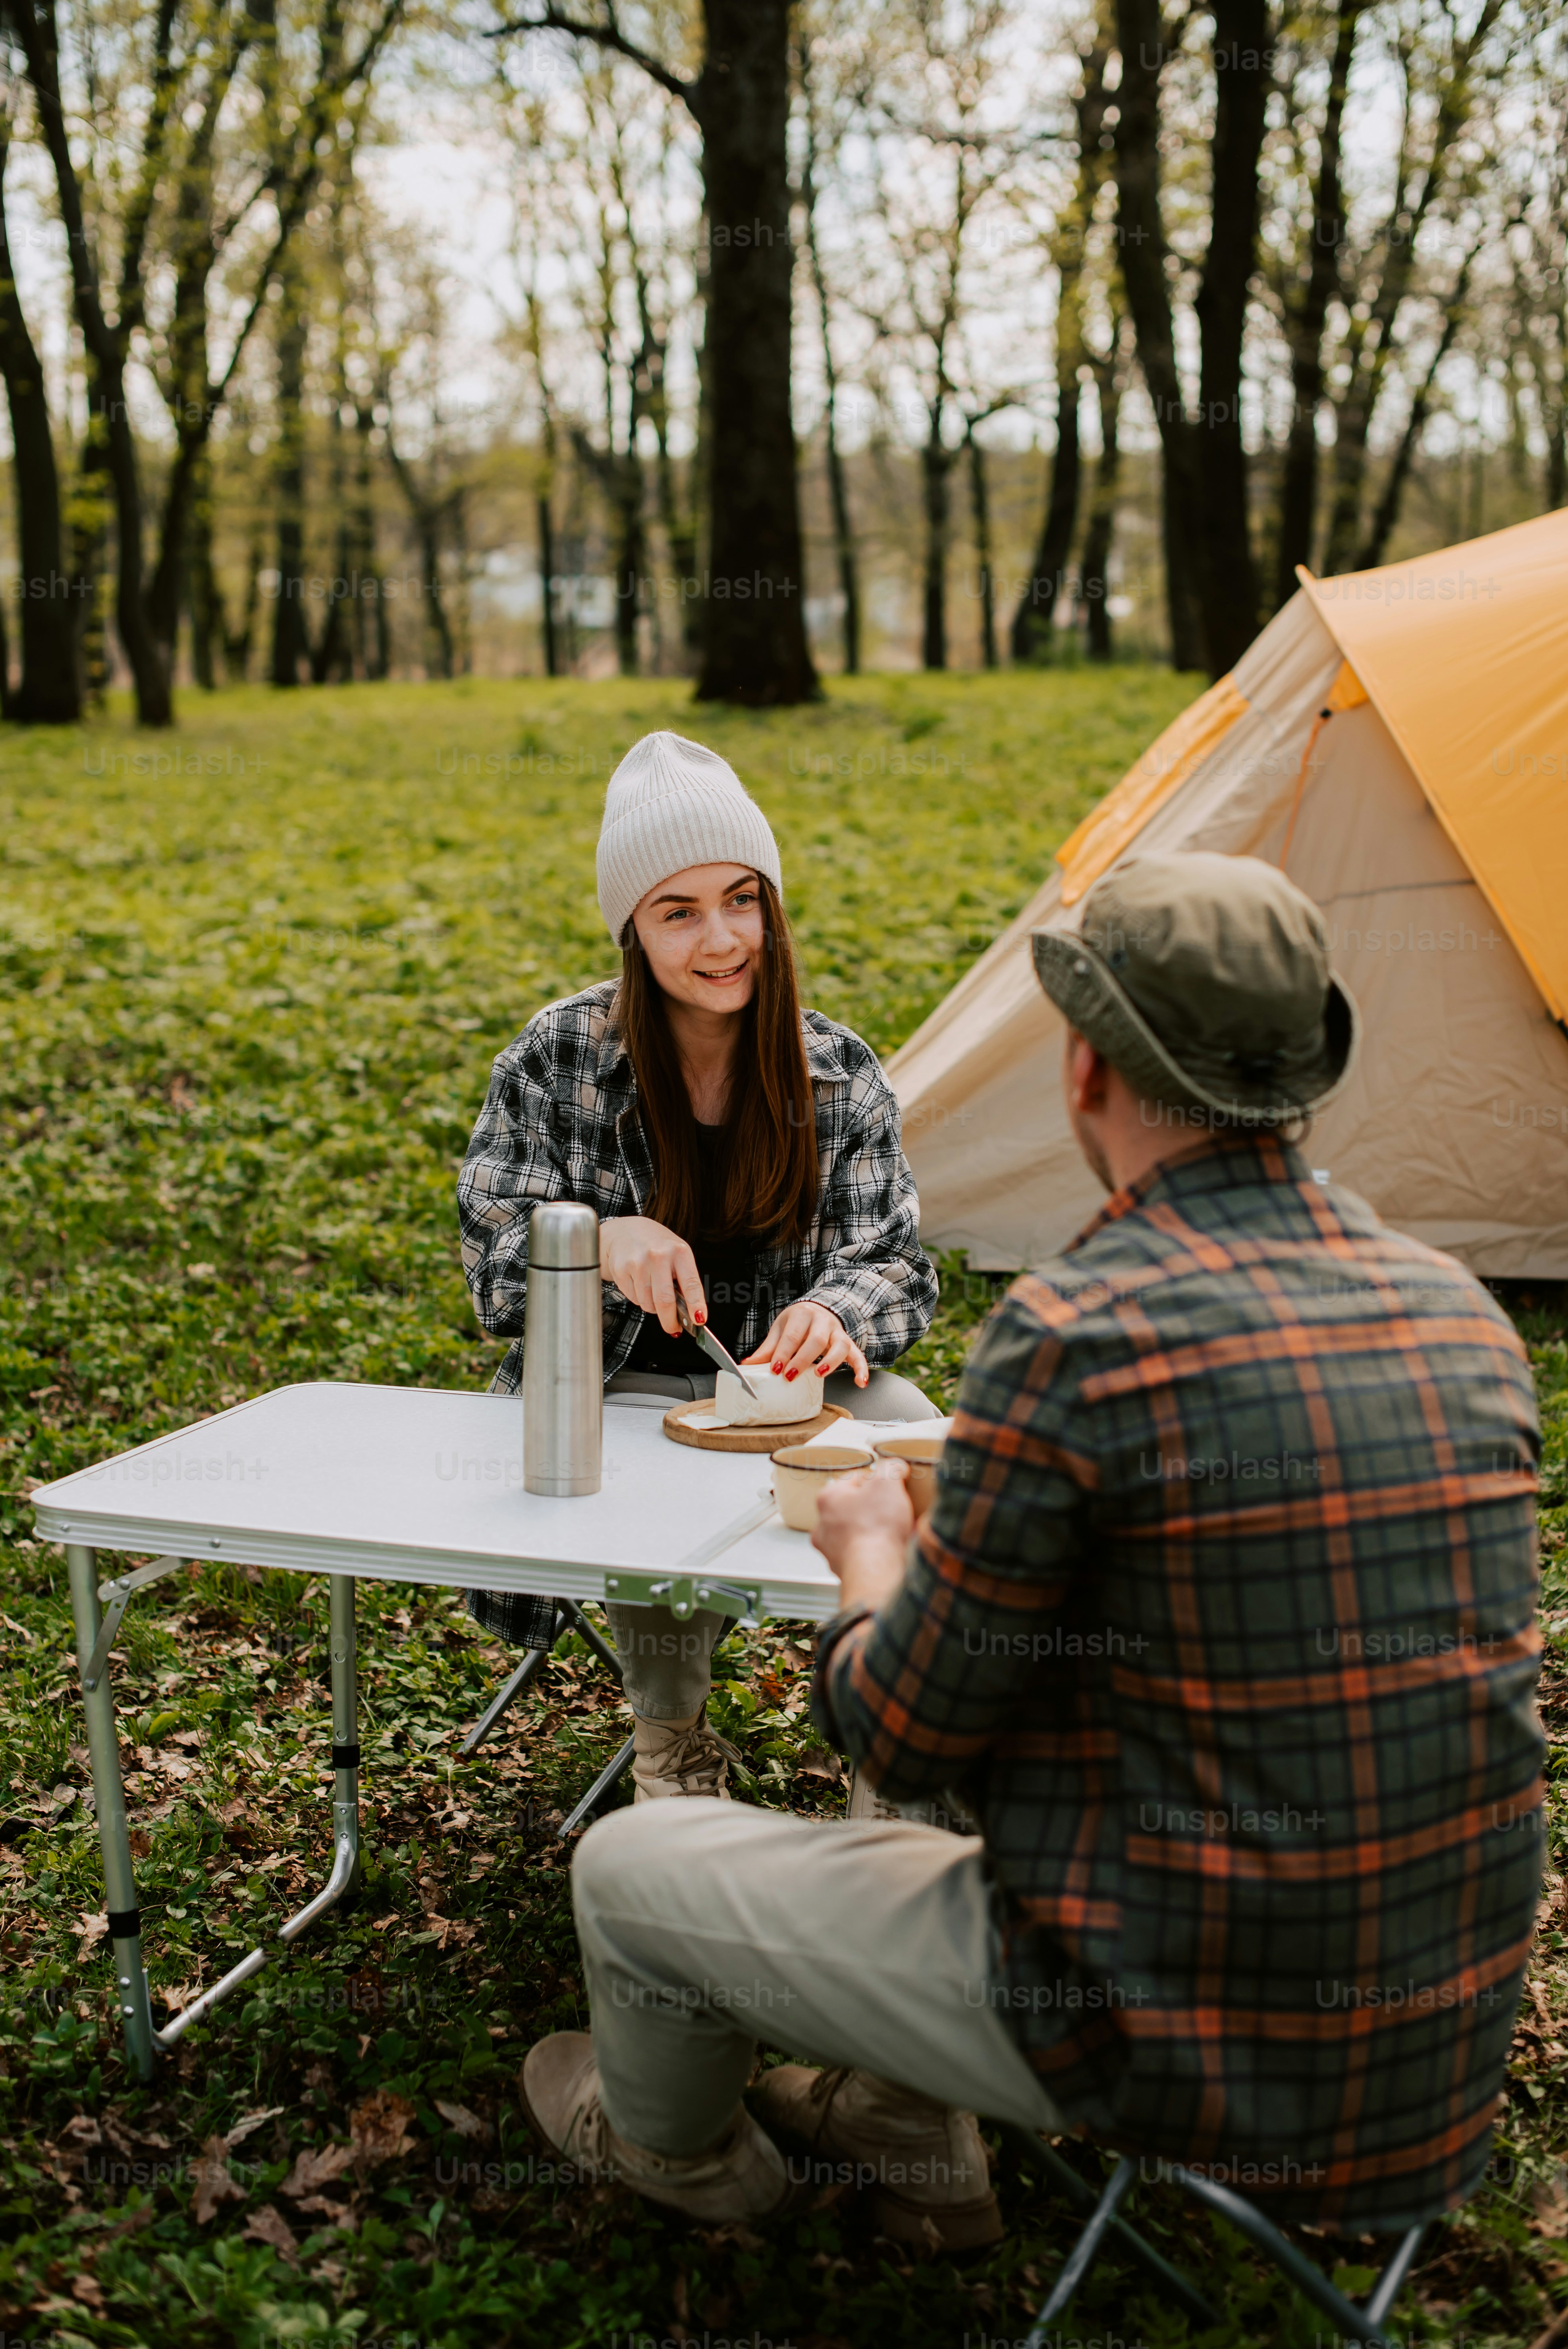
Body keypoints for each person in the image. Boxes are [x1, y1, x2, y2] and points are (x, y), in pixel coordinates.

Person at [519, 850, 1543, 2253]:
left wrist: (873, 1544)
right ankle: (892, 2116)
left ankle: (694, 2163)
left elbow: (906, 1724)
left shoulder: (1081, 1336)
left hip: (1163, 2038)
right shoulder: (1468, 1323)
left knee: (628, 1870)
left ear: (1084, 1076)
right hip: (1435, 2063)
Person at [457, 730, 939, 1798]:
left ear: (771, 903)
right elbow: (494, 1268)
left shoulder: (835, 1068)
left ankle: (895, 1743)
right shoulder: (557, 1055)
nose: (722, 939)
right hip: (620, 1386)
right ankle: (671, 1748)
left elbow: (897, 1258)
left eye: (742, 899)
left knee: (915, 1437)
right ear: (633, 926)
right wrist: (590, 1242)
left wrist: (838, 1309)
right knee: (623, 1464)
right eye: (679, 912)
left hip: (787, 1398)